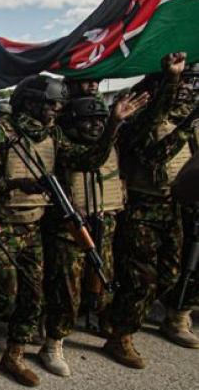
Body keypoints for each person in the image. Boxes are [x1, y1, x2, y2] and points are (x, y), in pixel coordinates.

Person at [0, 74, 141, 386]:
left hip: (34, 225)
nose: (56, 109)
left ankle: (14, 354)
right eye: (50, 103)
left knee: (34, 297)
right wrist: (17, 183)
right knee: (2, 297)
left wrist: (114, 125)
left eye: (58, 104)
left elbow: (87, 160)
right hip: (3, 224)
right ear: (29, 102)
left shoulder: (54, 134)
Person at [107, 52, 199, 368]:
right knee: (140, 279)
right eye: (182, 86)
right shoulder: (141, 121)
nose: (187, 92)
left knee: (170, 275)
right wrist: (172, 82)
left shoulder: (187, 123)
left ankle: (132, 315)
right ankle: (120, 335)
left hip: (172, 207)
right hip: (142, 208)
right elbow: (156, 155)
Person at [40, 95, 141, 377]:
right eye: (89, 121)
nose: (96, 126)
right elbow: (89, 159)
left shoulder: (112, 143)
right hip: (68, 230)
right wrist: (113, 125)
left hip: (103, 223)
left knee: (102, 286)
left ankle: (104, 326)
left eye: (100, 120)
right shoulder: (61, 146)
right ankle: (53, 343)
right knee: (66, 292)